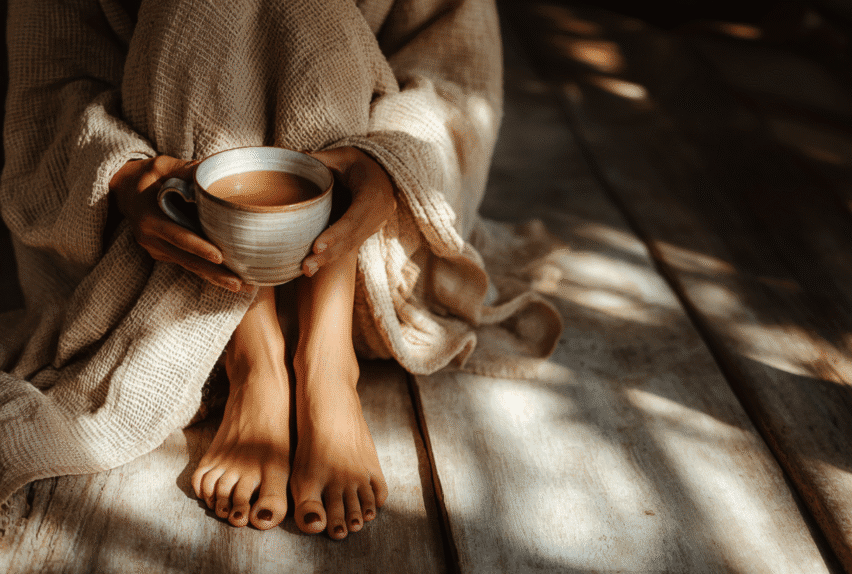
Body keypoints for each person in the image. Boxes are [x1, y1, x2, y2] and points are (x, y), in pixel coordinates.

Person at [0, 0, 561, 538]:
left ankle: (326, 358)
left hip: (370, 255)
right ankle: (255, 356)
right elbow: (49, 79)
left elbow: (456, 73)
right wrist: (125, 178)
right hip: (166, 252)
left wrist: (388, 166)